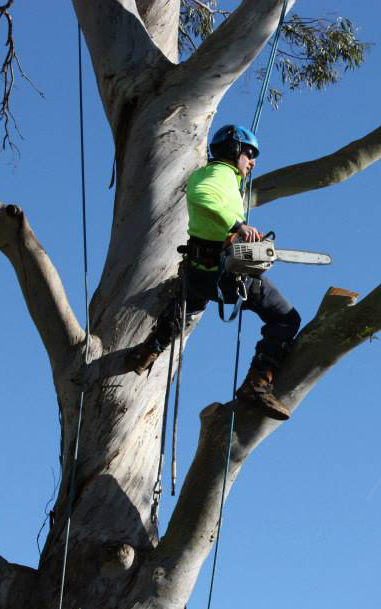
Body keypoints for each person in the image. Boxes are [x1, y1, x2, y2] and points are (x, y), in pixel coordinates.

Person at [128, 124, 300, 421]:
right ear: (233, 150)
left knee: (192, 302)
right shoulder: (218, 175)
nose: (253, 161)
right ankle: (258, 382)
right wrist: (238, 226)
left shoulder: (225, 180)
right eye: (249, 153)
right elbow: (201, 196)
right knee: (286, 318)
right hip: (225, 273)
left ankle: (151, 348)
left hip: (201, 272)